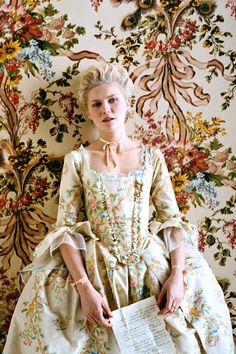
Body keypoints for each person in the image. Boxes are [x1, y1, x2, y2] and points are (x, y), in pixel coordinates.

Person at [3, 62, 234, 354]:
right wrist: (84, 288)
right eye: (96, 104)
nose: (106, 109)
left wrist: (177, 274)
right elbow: (66, 229)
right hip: (95, 268)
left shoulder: (151, 156)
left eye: (112, 100)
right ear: (88, 111)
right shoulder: (78, 160)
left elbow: (170, 218)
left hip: (150, 263)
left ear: (126, 103)